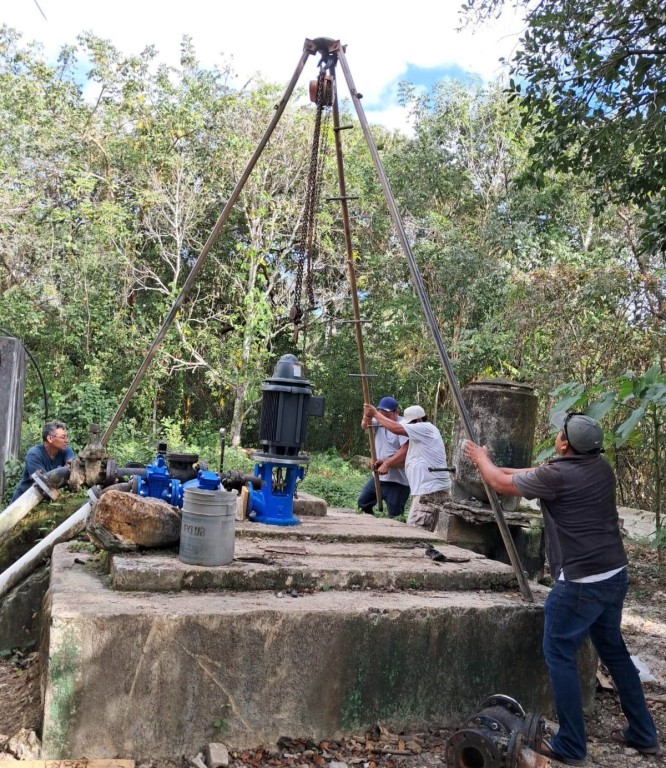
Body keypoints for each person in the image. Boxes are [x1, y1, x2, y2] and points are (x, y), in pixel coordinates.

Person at [464, 412, 660, 765]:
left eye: (559, 433)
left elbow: (499, 483)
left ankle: (571, 744)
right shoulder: (600, 467)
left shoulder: (558, 476)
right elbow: (523, 476)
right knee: (614, 652)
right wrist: (493, 464)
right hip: (614, 574)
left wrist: (481, 459)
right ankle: (644, 734)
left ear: (566, 444)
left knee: (559, 654)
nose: (556, 435)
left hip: (580, 584)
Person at [363, 403, 452, 532]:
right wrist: (385, 462)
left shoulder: (424, 428)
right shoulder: (419, 439)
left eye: (410, 424)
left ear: (419, 420)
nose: (408, 428)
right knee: (419, 530)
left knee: (415, 532)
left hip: (429, 491)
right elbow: (408, 462)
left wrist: (375, 414)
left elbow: (396, 429)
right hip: (429, 490)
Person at [358, 397, 410, 518]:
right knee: (363, 504)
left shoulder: (403, 425)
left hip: (398, 481)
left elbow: (405, 451)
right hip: (378, 478)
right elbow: (365, 426)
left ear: (396, 412)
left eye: (387, 414)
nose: (383, 417)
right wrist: (366, 418)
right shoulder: (378, 420)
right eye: (381, 413)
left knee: (395, 516)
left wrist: (387, 463)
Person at [11, 421, 76, 502]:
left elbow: (73, 466)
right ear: (50, 438)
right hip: (23, 501)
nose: (66, 440)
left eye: (67, 437)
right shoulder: (34, 454)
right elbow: (44, 483)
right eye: (63, 437)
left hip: (44, 501)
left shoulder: (65, 450)